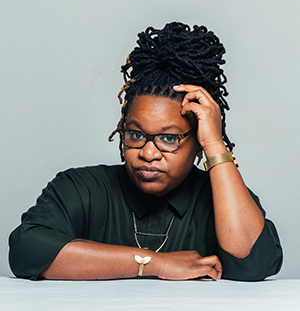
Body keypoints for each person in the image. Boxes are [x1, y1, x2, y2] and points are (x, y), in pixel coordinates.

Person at [9, 22, 282, 281]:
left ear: (197, 140)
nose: (148, 153)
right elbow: (27, 250)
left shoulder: (221, 196)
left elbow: (255, 263)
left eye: (169, 138)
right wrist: (154, 263)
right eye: (136, 135)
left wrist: (215, 145)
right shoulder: (81, 188)